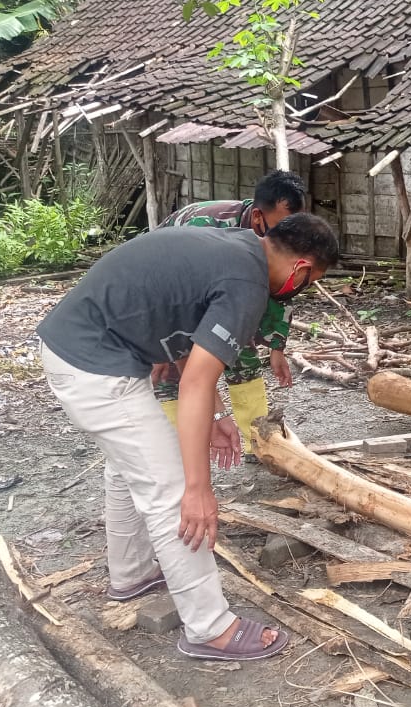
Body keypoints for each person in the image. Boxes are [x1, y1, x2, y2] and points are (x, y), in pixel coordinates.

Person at [37, 213, 339, 660]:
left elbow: (180, 325)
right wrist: (198, 489)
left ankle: (132, 574)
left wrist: (216, 413)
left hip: (79, 344)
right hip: (95, 363)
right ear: (301, 269)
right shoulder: (248, 284)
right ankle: (209, 627)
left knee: (128, 464)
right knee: (172, 491)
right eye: (311, 282)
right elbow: (194, 380)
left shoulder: (237, 246)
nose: (302, 290)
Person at [152, 170, 308, 459]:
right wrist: (163, 344)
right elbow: (170, 290)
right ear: (259, 217)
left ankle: (259, 443)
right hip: (173, 292)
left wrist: (277, 346)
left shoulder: (280, 238)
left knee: (242, 352)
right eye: (280, 228)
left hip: (221, 293)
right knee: (172, 371)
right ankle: (178, 451)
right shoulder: (205, 225)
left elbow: (282, 288)